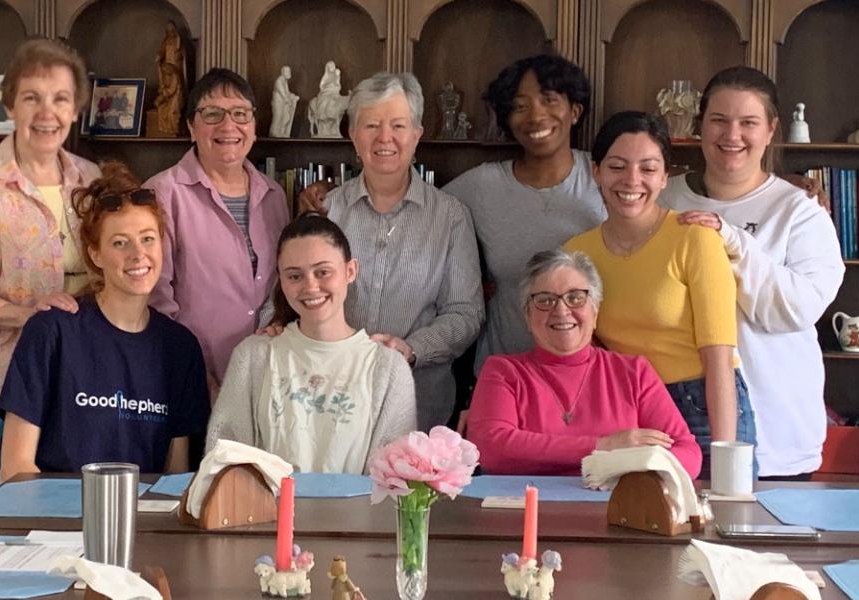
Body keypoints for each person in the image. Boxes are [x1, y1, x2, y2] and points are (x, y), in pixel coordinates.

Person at [660, 66, 845, 480]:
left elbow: (794, 309)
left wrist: (730, 239)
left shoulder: (799, 210)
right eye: (719, 121)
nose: (732, 136)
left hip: (778, 435)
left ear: (771, 129)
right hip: (678, 430)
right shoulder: (664, 199)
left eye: (748, 123)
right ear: (700, 125)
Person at [0, 38, 100, 506]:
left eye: (60, 99)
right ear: (9, 104)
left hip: (68, 378)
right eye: (32, 97)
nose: (46, 112)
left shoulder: (90, 179)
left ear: (76, 111)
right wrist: (25, 312)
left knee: (54, 515)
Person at [282, 72, 483, 430]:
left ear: (417, 135)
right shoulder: (326, 209)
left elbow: (465, 313)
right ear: (353, 136)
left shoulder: (450, 216)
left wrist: (412, 349)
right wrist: (271, 325)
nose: (385, 137)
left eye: (398, 125)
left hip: (417, 404)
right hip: (325, 404)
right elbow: (288, 288)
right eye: (371, 125)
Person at [564, 111, 750, 477]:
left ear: (666, 177)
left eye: (648, 168)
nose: (632, 180)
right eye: (617, 166)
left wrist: (724, 455)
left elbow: (719, 359)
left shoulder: (695, 239)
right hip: (625, 409)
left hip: (701, 405)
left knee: (711, 520)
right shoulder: (576, 252)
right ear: (596, 172)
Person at [0, 162, 209, 480]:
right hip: (54, 520)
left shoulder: (180, 347)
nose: (138, 254)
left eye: (148, 239)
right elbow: (17, 468)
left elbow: (174, 475)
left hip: (139, 522)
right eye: (120, 243)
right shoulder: (52, 331)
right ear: (96, 255)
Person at [207, 214, 416, 474]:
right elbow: (225, 457)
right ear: (281, 281)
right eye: (295, 276)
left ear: (350, 271)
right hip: (267, 514)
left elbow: (393, 478)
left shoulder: (389, 368)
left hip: (360, 514)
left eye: (323, 272)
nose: (311, 286)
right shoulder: (253, 356)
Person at [466, 249, 702, 478]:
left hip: (617, 511)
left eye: (575, 298)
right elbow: (491, 449)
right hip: (523, 511)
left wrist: (624, 462)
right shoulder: (502, 372)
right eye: (545, 300)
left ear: (595, 311)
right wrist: (604, 446)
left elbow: (689, 456)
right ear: (527, 316)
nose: (561, 310)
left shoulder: (634, 372)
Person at [442, 54, 605, 375]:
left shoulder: (605, 176)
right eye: (519, 106)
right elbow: (412, 205)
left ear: (575, 111)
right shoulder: (482, 185)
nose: (536, 115)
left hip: (593, 382)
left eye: (549, 100)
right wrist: (324, 197)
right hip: (505, 379)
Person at [146, 68, 289, 398]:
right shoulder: (162, 194)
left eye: (240, 114)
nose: (228, 126)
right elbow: (154, 298)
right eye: (212, 114)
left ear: (254, 126)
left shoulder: (274, 196)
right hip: (188, 379)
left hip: (268, 380)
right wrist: (194, 373)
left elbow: (281, 286)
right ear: (191, 128)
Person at [269, 65, 299, 138]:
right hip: (278, 103)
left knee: (285, 117)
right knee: (278, 117)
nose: (289, 73)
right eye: (287, 71)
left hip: (283, 104)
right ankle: (274, 132)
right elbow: (283, 93)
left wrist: (293, 96)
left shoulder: (285, 81)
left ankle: (281, 132)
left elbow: (287, 92)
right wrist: (288, 99)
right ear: (282, 72)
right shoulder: (279, 81)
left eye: (289, 71)